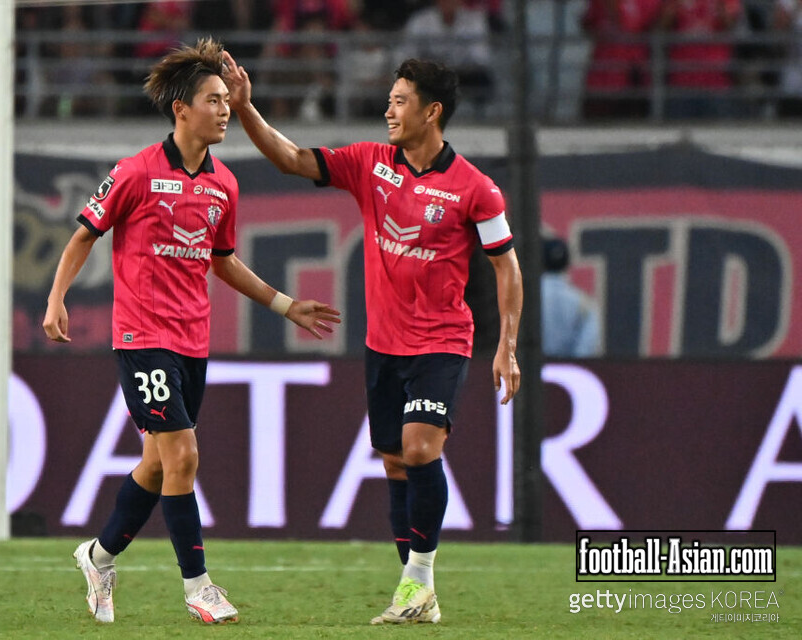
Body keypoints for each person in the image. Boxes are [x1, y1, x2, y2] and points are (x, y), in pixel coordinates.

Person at [42, 38, 340, 625]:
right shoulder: (134, 173)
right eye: (214, 100)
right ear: (182, 109)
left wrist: (285, 305)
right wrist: (57, 298)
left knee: (158, 466)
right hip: (142, 338)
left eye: (228, 100)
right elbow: (83, 235)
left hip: (191, 341)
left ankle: (98, 556)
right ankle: (199, 587)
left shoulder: (224, 184)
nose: (225, 110)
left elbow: (222, 259)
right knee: (184, 455)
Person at [222, 51, 523, 624]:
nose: (388, 110)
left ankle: (418, 580)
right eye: (389, 100)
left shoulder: (476, 189)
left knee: (418, 448)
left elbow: (507, 267)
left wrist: (506, 345)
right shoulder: (370, 164)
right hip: (383, 344)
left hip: (442, 341)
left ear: (432, 112)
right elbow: (291, 158)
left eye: (400, 101)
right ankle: (419, 600)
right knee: (393, 464)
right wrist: (246, 109)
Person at [541, 236, 601, 358]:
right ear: (568, 263)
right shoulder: (583, 302)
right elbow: (586, 347)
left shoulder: (522, 300)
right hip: (570, 373)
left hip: (530, 372)